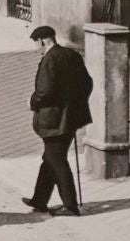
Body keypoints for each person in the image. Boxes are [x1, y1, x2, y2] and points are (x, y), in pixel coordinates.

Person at [24, 24, 92, 216]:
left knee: (57, 160)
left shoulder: (50, 60)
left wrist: (32, 102)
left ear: (42, 41)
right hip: (71, 118)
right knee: (50, 158)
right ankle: (39, 199)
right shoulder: (71, 55)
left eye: (36, 44)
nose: (36, 49)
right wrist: (75, 104)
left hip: (54, 121)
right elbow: (87, 83)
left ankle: (70, 206)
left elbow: (44, 92)